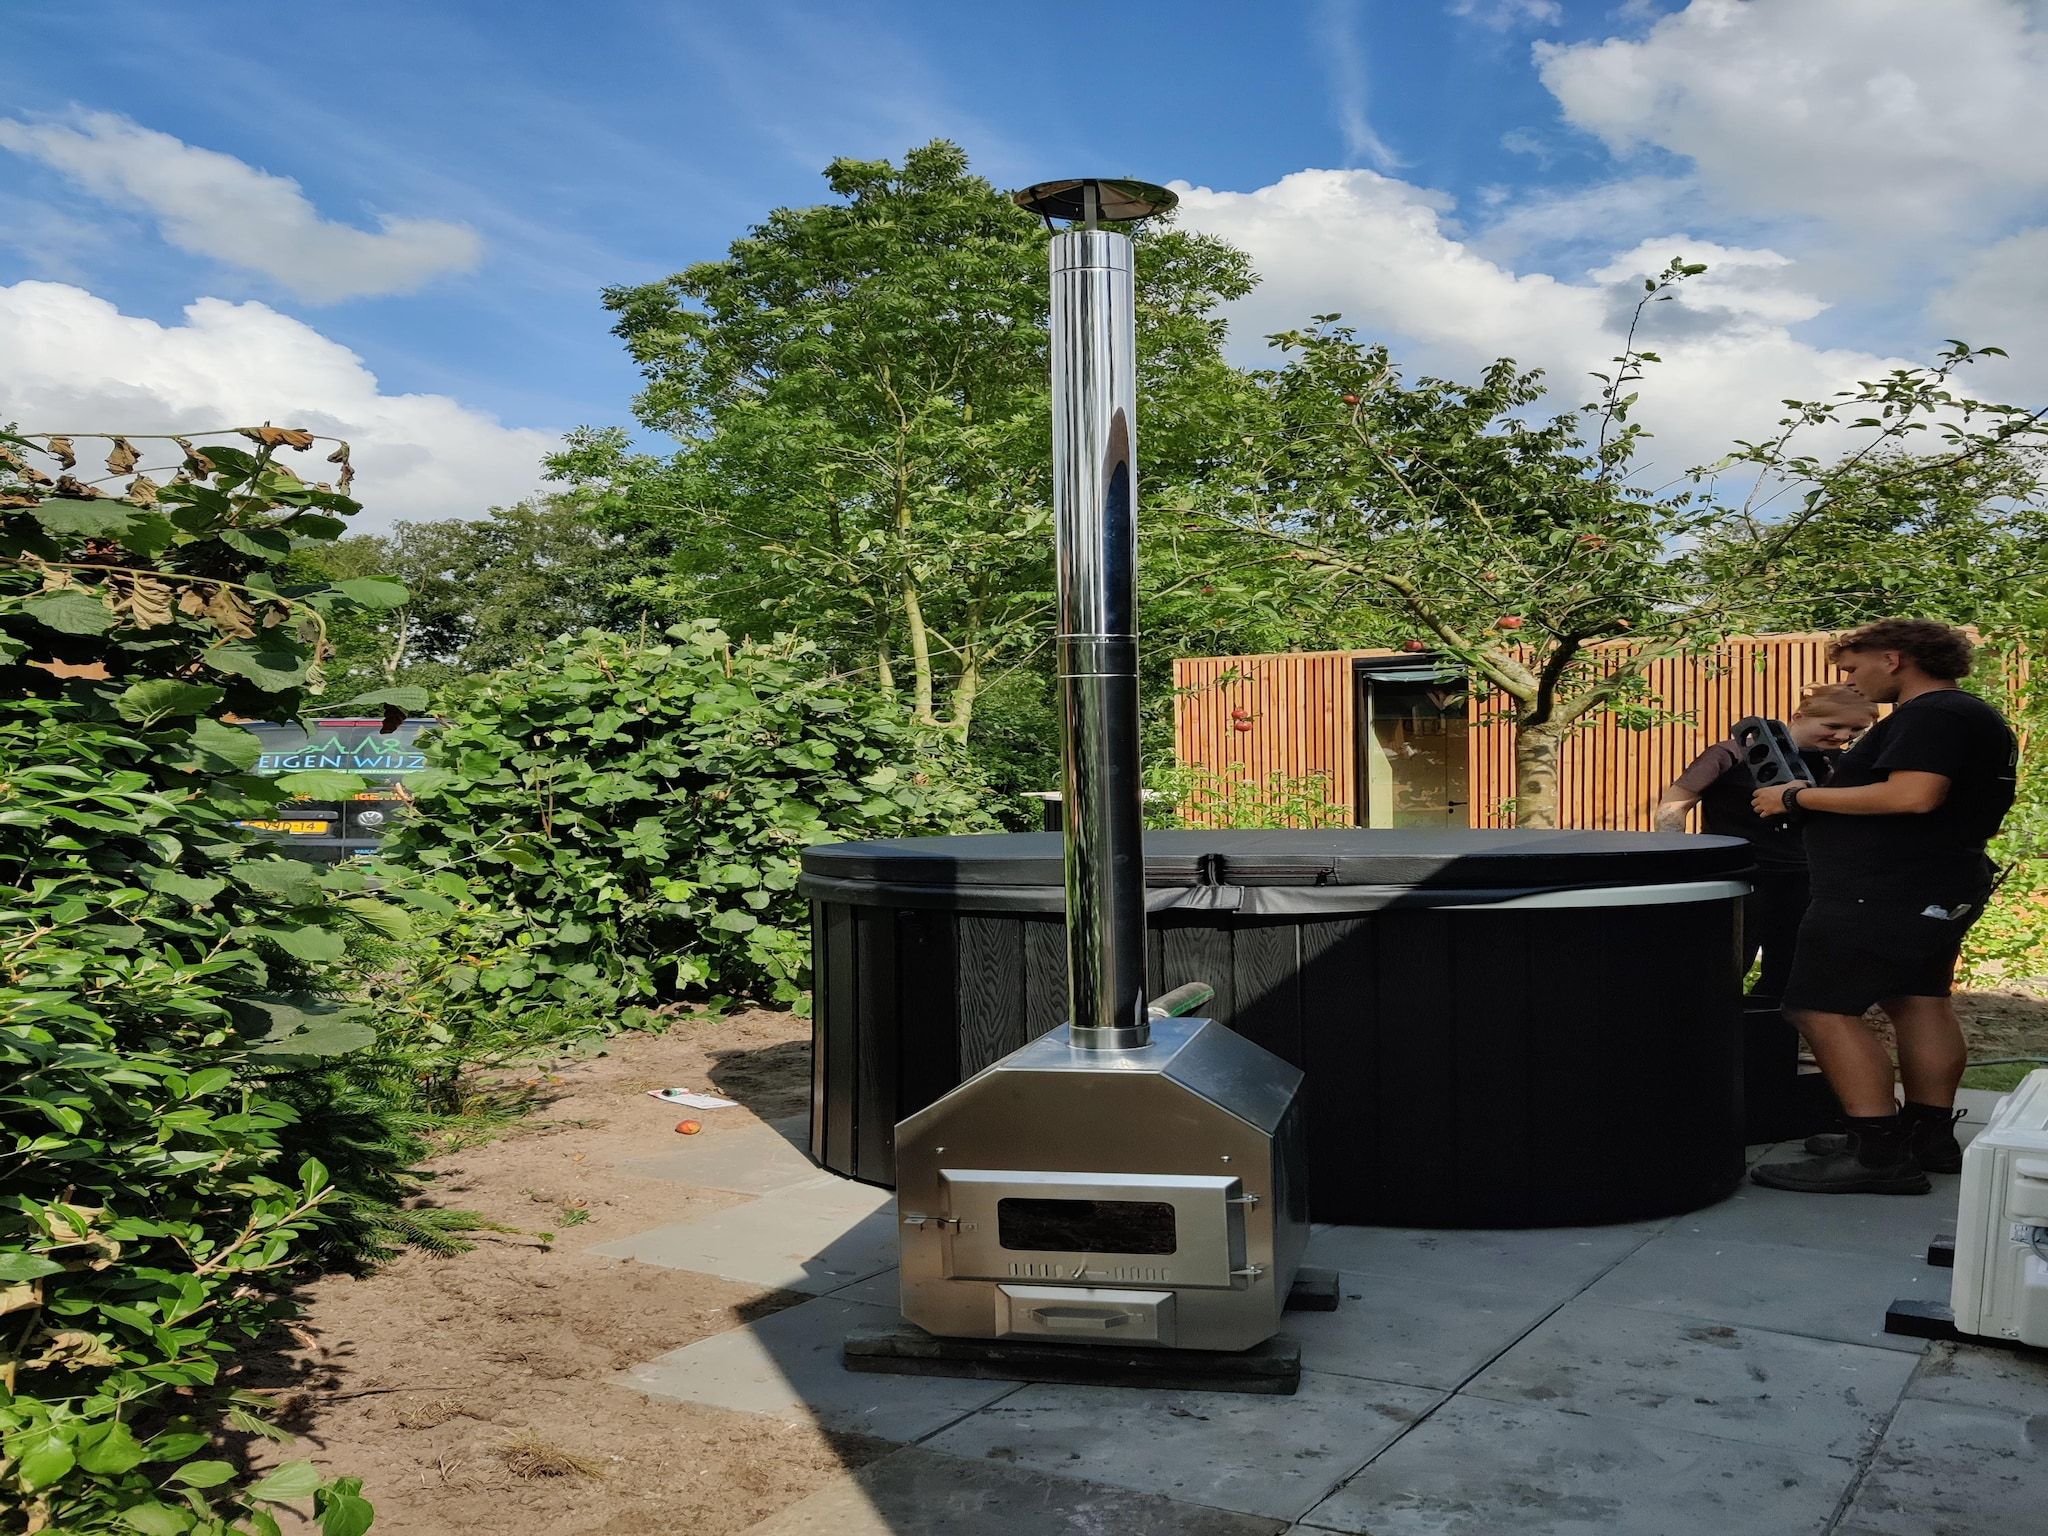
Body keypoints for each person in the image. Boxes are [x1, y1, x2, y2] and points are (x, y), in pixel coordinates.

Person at [1748, 620, 2018, 1196]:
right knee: (1918, 1001)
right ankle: (1926, 1135)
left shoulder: (1932, 715)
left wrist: (1796, 795)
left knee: (1819, 1009)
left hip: (1885, 889)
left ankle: (1876, 1151)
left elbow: (1913, 795)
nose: (1851, 679)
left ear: (1892, 659)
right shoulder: (1971, 713)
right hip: (1936, 884)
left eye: (1852, 667)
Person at [1655, 685, 1878, 1002]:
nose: (1842, 735)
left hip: (1805, 880)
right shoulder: (1730, 753)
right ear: (1799, 716)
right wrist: (1677, 859)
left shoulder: (1840, 763)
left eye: (1855, 729)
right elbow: (1675, 803)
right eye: (1833, 726)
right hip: (1738, 879)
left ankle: (1770, 1042)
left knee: (1790, 971)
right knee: (1725, 966)